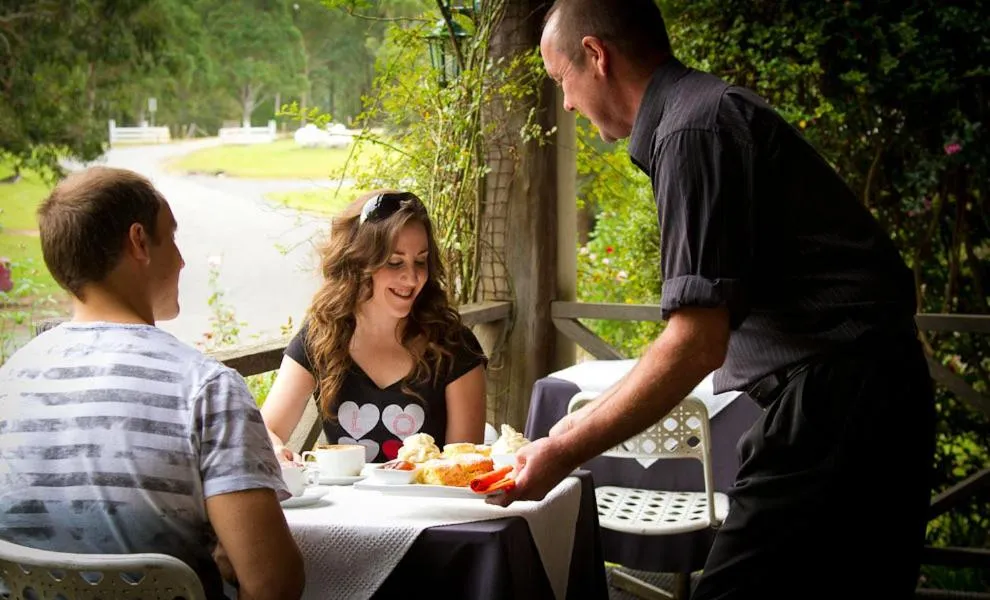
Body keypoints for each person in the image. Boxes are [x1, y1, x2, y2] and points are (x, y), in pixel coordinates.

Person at [492, 1, 937, 598]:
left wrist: (562, 447)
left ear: (596, 56)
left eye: (560, 81)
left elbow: (695, 342)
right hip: (858, 394)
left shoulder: (692, 130)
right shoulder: (701, 115)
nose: (566, 103)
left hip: (839, 401)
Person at [0, 167, 305, 600]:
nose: (181, 260)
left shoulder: (8, 384)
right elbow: (274, 585)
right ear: (139, 241)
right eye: (173, 238)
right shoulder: (207, 390)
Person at [261, 190, 487, 464]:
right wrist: (274, 450)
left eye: (420, 261)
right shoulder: (323, 334)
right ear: (358, 262)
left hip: (431, 505)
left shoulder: (454, 345)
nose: (412, 277)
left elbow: (463, 466)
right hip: (344, 505)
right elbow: (267, 430)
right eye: (394, 262)